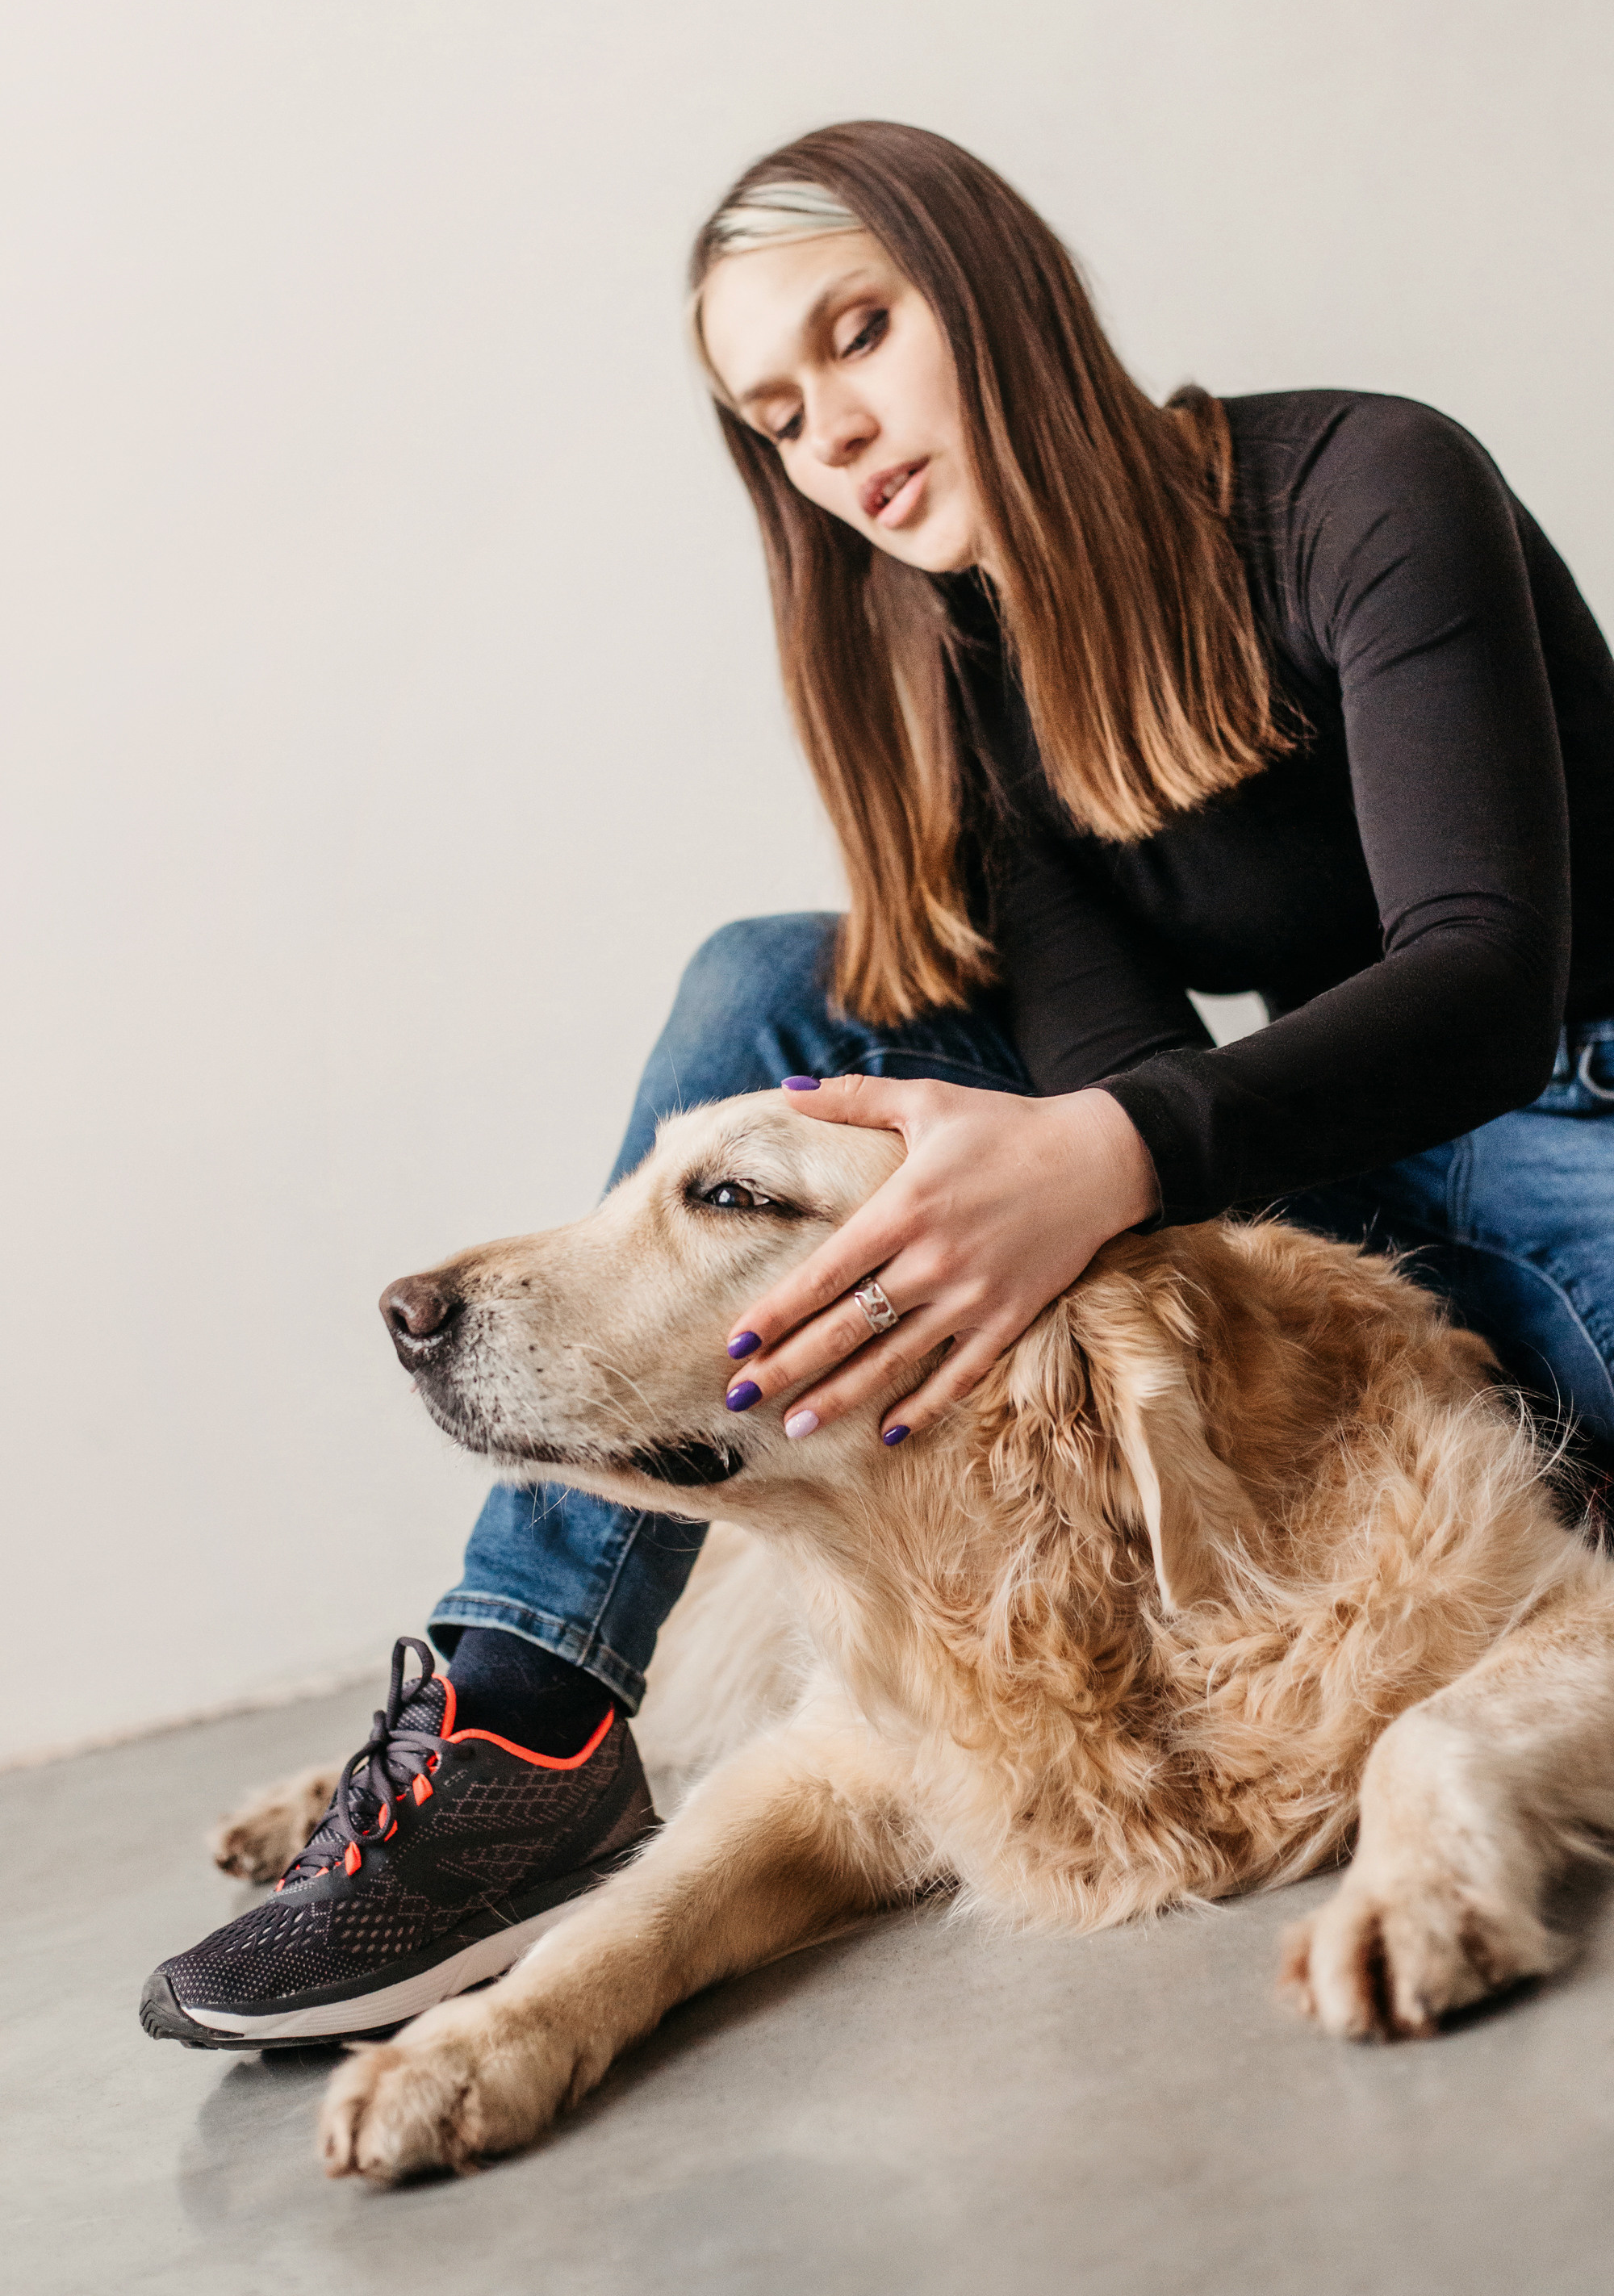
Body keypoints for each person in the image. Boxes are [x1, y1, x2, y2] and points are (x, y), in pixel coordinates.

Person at [143, 121, 1614, 2051]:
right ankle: (526, 1705)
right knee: (773, 978)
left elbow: (1485, 975)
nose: (827, 432)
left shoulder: (1359, 482)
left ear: (993, 290)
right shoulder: (942, 661)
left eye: (857, 332)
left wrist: (1102, 1151)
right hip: (1321, 1164)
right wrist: (1055, 1183)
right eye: (771, 412)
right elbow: (1119, 1082)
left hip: (1564, 1106)